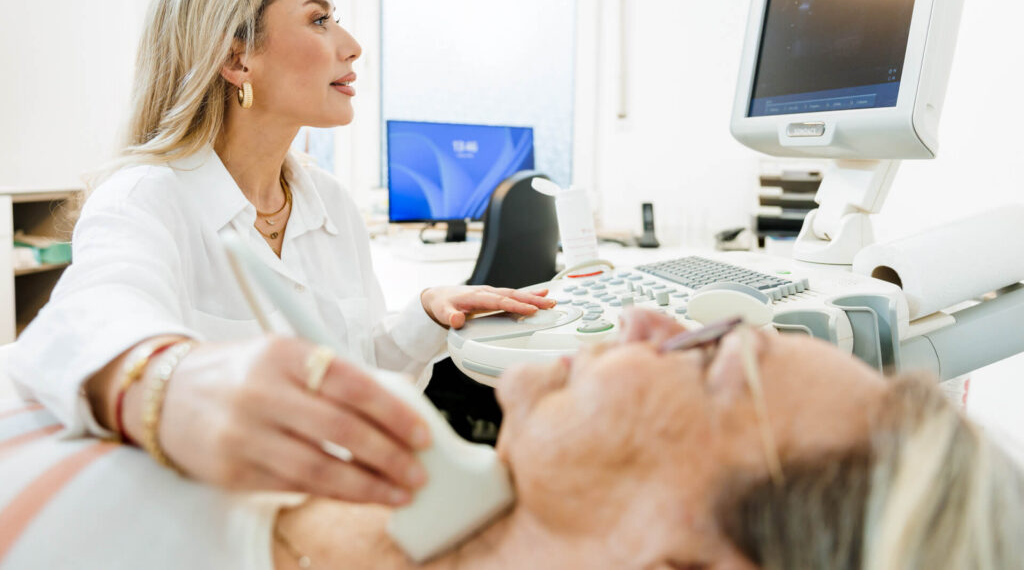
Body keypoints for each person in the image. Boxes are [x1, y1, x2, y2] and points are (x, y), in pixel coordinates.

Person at [6, 0, 553, 507]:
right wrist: (172, 386)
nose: (352, 46)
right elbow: (84, 327)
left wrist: (426, 315)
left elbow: (355, 370)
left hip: (346, 507)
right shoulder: (143, 199)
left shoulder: (330, 201)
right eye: (319, 20)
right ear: (236, 59)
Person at [1, 308, 1021, 568]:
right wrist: (147, 379)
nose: (645, 321)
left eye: (705, 353)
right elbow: (58, 336)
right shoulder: (377, 436)